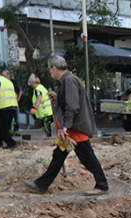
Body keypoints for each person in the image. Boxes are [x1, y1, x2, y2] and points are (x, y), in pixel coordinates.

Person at [22, 55, 108, 195]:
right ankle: (41, 184)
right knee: (59, 155)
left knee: (87, 157)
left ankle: (102, 185)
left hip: (74, 128)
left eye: (50, 69)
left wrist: (64, 128)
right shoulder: (67, 80)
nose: (49, 72)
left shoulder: (69, 81)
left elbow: (72, 106)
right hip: (72, 128)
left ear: (54, 68)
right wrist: (58, 97)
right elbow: (70, 101)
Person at [3, 69, 22, 135]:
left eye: (4, 75)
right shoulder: (3, 83)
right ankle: (9, 131)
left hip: (15, 103)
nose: (3, 77)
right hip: (7, 103)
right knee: (9, 119)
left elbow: (20, 91)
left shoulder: (14, 82)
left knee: (16, 118)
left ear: (9, 75)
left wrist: (18, 99)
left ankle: (16, 130)